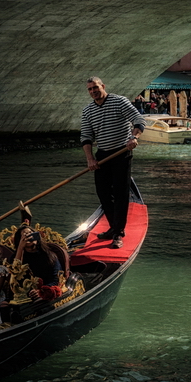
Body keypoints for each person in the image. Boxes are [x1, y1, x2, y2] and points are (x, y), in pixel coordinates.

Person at [80, 76, 145, 248]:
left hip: (122, 152)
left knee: (120, 193)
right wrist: (90, 159)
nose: (93, 91)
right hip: (102, 155)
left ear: (102, 86)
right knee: (103, 193)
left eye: (95, 87)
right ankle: (113, 227)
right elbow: (86, 137)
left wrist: (134, 137)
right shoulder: (87, 111)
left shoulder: (119, 101)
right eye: (90, 89)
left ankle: (118, 233)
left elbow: (139, 120)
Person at [12, 225, 66, 299]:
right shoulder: (16, 257)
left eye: (31, 233)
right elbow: (14, 274)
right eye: (25, 235)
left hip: (44, 293)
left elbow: (55, 278)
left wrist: (41, 291)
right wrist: (20, 248)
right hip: (21, 295)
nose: (30, 236)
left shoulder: (49, 255)